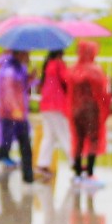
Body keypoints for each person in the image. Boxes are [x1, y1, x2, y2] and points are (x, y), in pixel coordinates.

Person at [0, 50, 34, 185]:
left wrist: (30, 78)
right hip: (10, 114)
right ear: (19, 53)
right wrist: (15, 110)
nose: (28, 56)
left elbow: (21, 88)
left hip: (18, 113)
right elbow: (8, 92)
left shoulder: (19, 69)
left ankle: (28, 178)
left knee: (24, 146)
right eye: (26, 53)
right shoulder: (9, 71)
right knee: (6, 146)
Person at [66, 41, 112, 189]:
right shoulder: (95, 70)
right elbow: (103, 93)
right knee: (93, 140)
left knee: (78, 141)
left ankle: (78, 174)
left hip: (75, 110)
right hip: (92, 110)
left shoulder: (73, 69)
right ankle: (90, 173)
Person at [34, 50, 71, 183]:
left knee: (49, 136)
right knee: (64, 135)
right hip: (57, 105)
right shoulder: (59, 65)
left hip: (46, 105)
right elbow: (67, 80)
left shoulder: (48, 65)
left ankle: (42, 165)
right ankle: (75, 165)